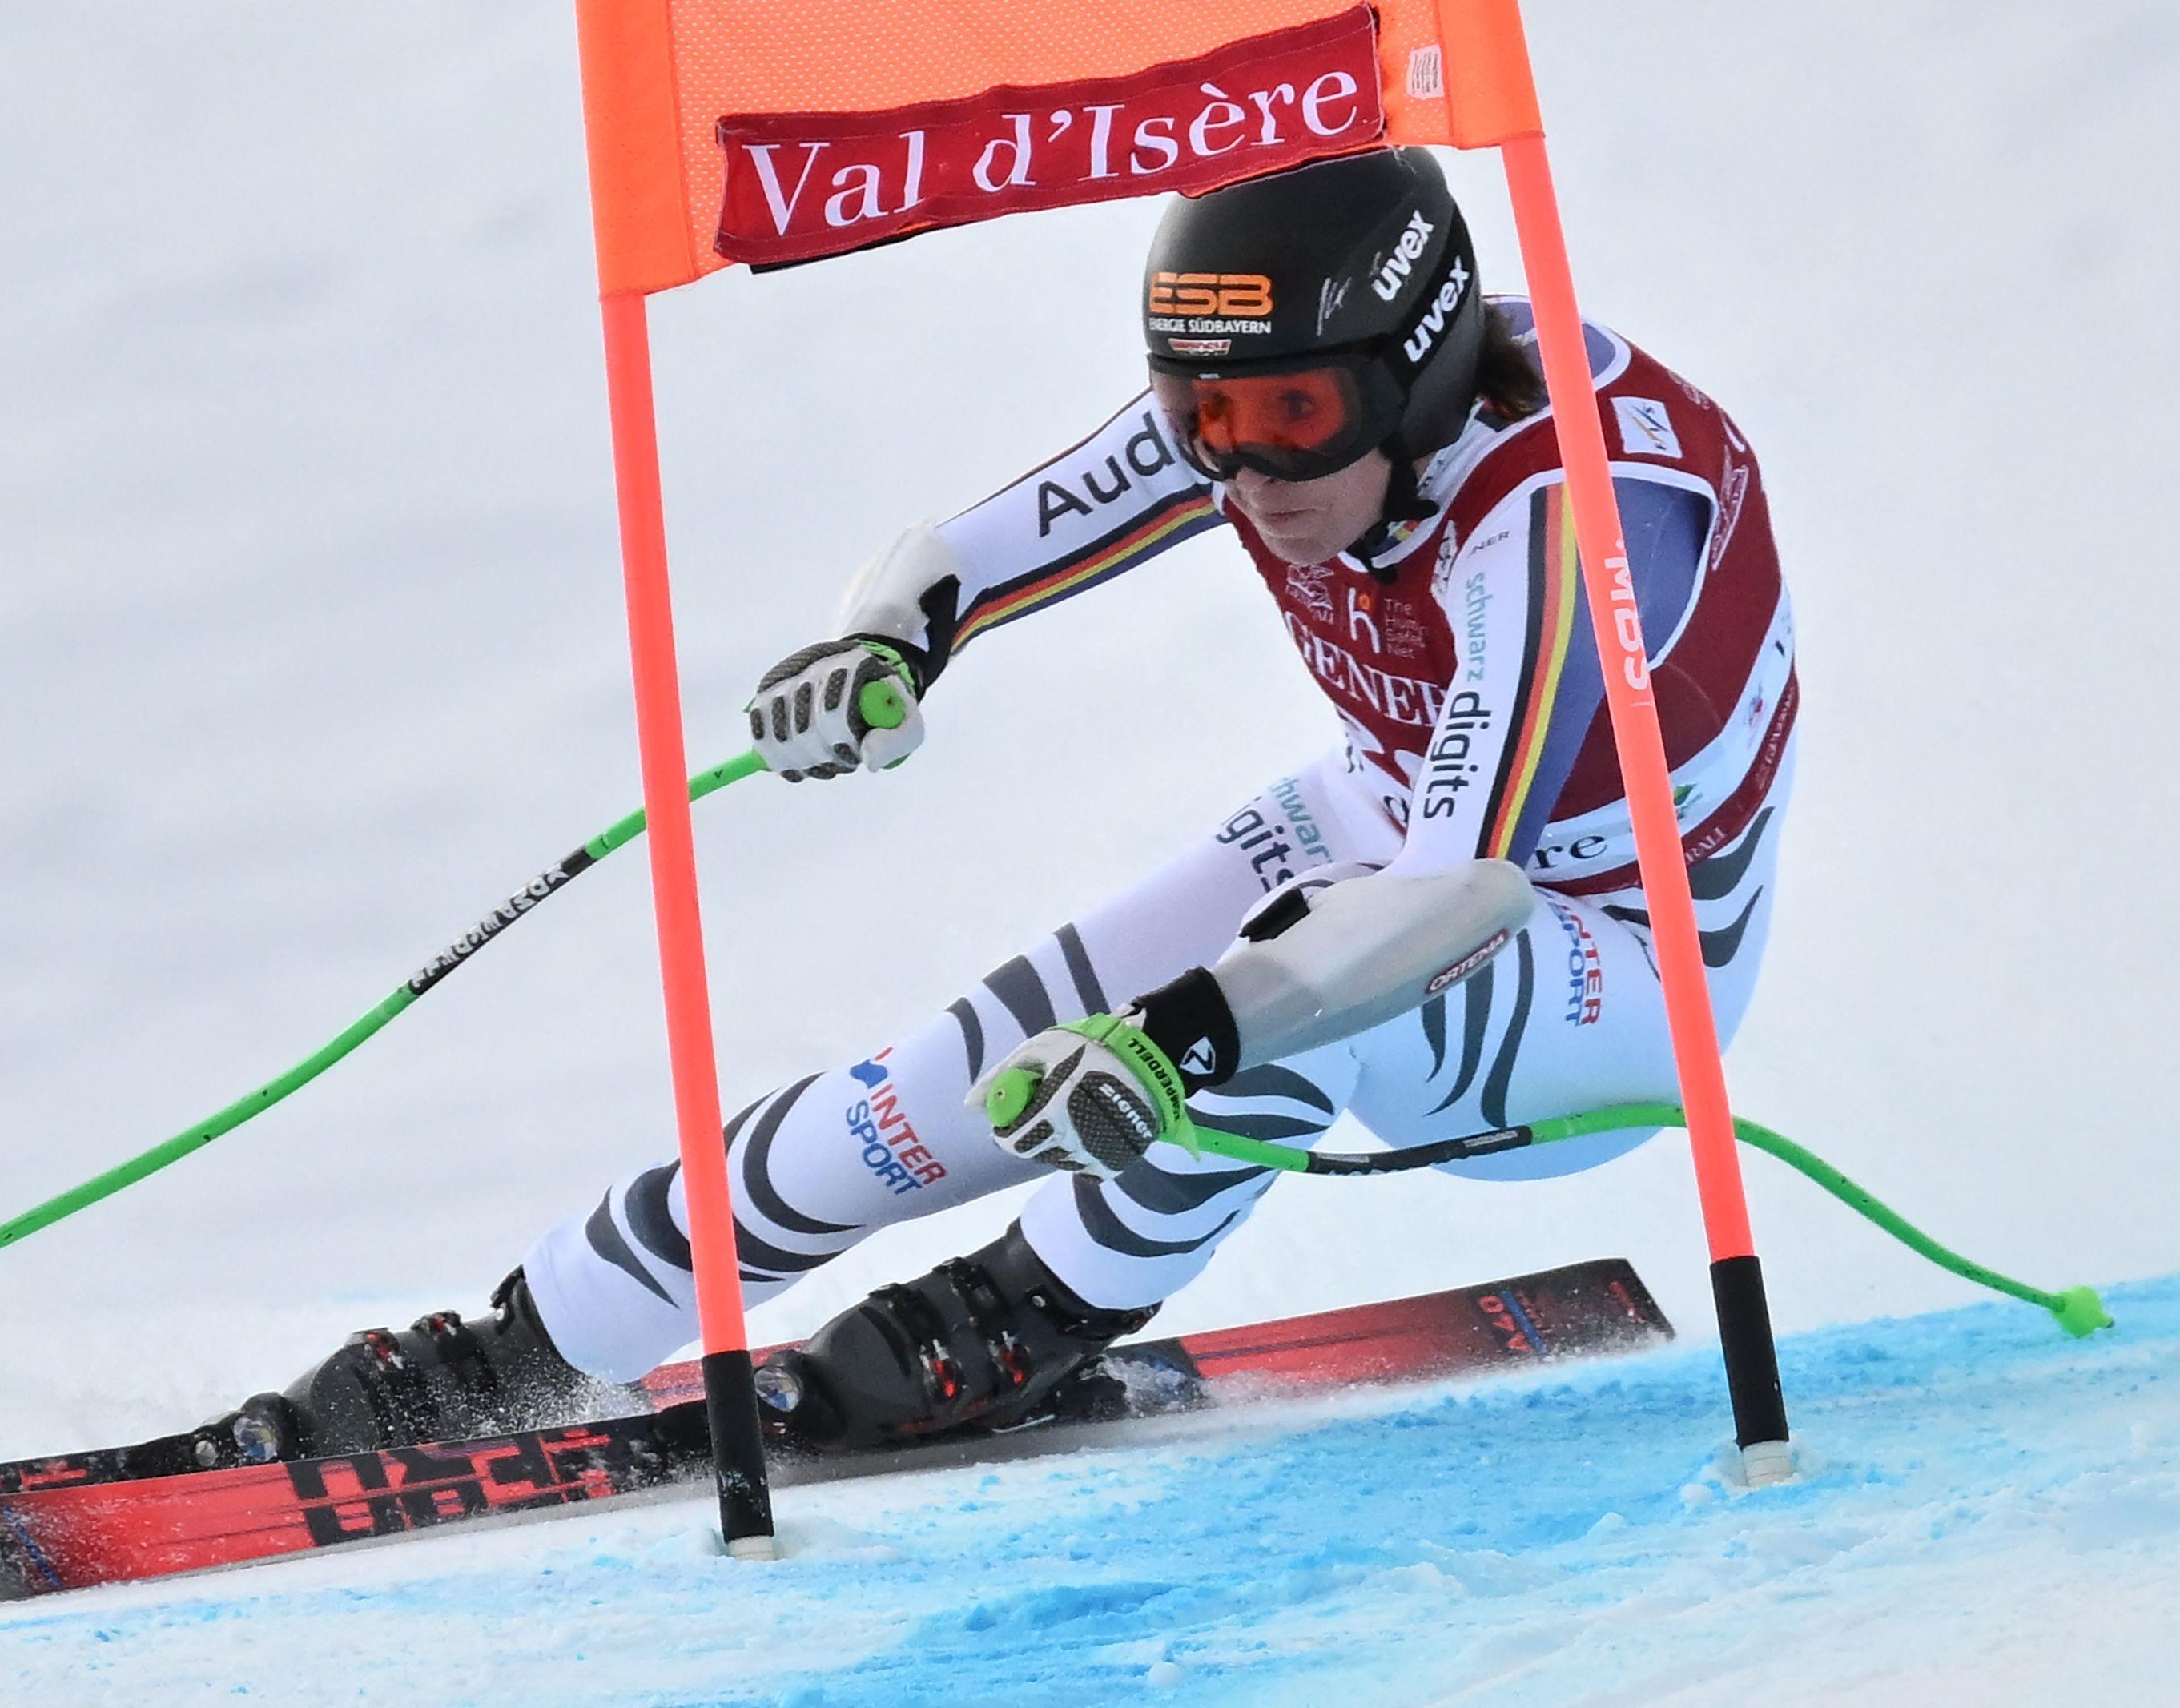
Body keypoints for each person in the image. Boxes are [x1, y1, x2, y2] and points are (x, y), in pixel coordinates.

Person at [220, 146, 1798, 1463]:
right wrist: (877, 649)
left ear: (1419, 366)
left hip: (1605, 951)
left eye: (1289, 423)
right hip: (1381, 825)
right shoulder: (1271, 396)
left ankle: (1028, 1309)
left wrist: (1189, 1032)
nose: (1240, 472)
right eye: (1198, 420)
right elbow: (961, 558)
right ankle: (531, 1339)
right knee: (935, 1088)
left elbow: (1455, 895)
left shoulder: (1573, 510)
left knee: (1266, 987)